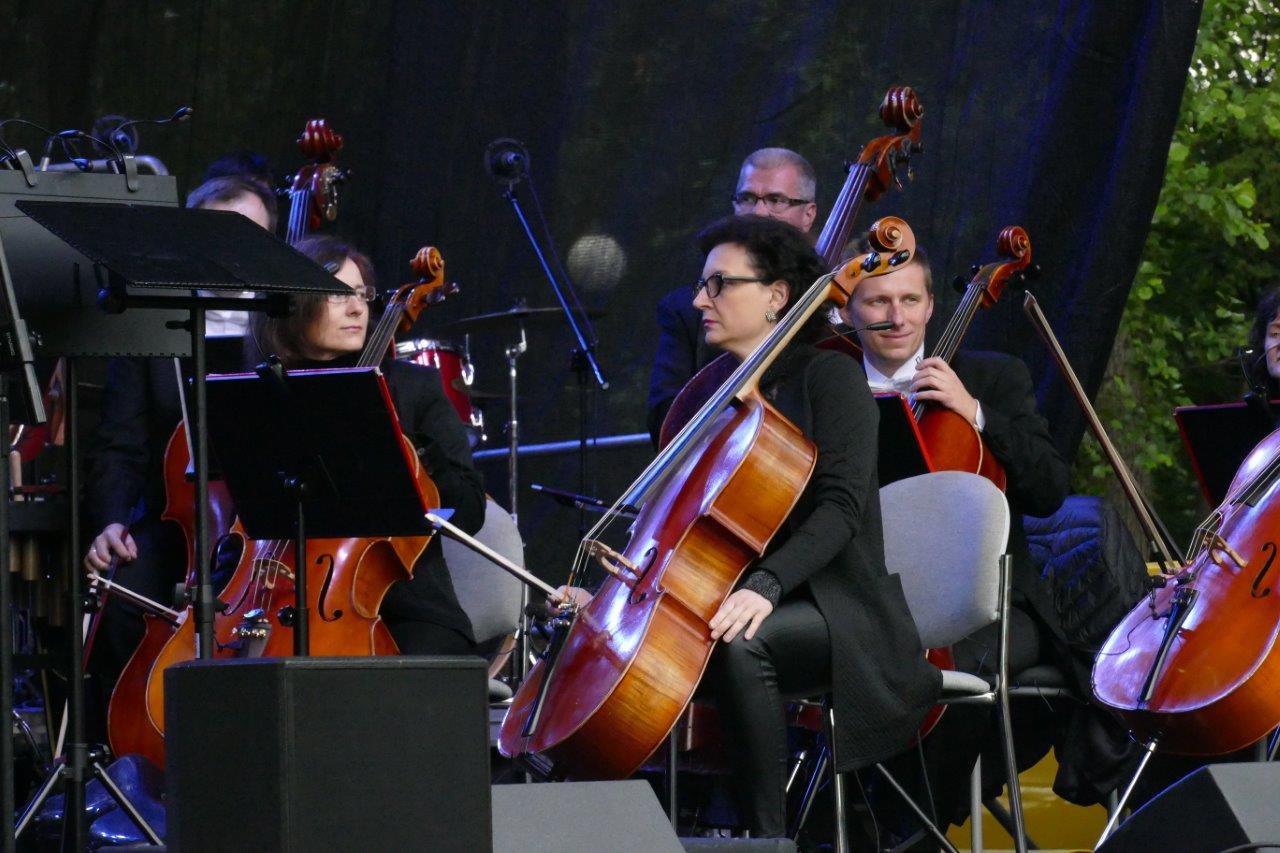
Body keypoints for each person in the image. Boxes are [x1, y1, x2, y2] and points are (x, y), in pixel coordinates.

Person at [564, 215, 939, 838]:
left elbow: (842, 510)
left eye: (719, 284)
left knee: (742, 644)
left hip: (836, 603)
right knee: (609, 645)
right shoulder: (707, 394)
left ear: (776, 296)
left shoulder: (831, 378)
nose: (699, 300)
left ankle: (767, 839)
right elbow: (672, 523)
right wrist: (607, 597)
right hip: (724, 597)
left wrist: (766, 584)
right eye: (702, 284)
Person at [840, 238, 1070, 827]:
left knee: (932, 679)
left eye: (910, 300)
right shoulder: (826, 383)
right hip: (866, 602)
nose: (897, 317)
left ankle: (912, 831)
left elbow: (1048, 489)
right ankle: (833, 822)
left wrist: (975, 414)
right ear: (847, 309)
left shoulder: (991, 377)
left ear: (931, 305)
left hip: (986, 608)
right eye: (878, 302)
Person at [83, 174, 280, 694]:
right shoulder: (153, 321)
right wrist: (110, 521)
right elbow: (120, 442)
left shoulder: (286, 321)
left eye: (247, 234)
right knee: (122, 602)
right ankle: (136, 735)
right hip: (179, 523)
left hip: (272, 528)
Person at [248, 235, 487, 653]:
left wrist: (417, 453)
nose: (357, 308)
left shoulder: (413, 389)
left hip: (408, 607)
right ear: (294, 304)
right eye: (338, 295)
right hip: (280, 595)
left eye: (361, 294)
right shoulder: (264, 394)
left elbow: (468, 512)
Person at [647, 148, 818, 443]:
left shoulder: (836, 302)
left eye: (776, 200)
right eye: (748, 198)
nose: (759, 212)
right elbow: (665, 420)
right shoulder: (686, 308)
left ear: (808, 214)